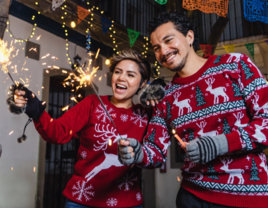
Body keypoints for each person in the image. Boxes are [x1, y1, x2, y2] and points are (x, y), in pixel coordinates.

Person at [118, 11, 268, 208]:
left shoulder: (236, 65)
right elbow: (155, 151)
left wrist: (219, 144)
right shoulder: (165, 95)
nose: (163, 51)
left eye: (168, 40)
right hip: (192, 198)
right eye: (156, 47)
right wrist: (137, 153)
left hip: (248, 197)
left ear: (189, 37)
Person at [7, 49, 154, 208]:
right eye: (118, 72)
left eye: (130, 75)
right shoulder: (92, 104)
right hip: (81, 201)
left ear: (143, 83)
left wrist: (159, 94)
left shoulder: (146, 114)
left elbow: (157, 153)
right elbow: (57, 133)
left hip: (128, 203)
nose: (121, 78)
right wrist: (37, 113)